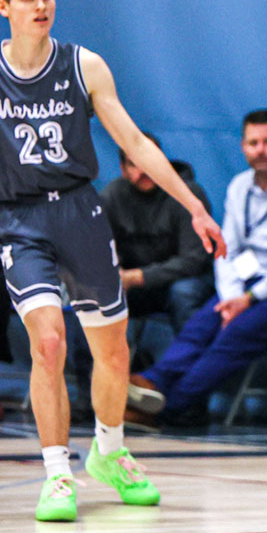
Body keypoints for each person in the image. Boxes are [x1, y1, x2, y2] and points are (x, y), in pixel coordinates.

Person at [0, 0, 225, 522]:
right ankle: (57, 472)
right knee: (48, 341)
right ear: (4, 7)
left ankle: (110, 450)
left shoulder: (84, 66)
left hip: (80, 211)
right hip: (20, 220)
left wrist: (194, 206)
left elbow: (135, 143)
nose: (42, 5)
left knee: (113, 349)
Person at [127, 109, 267, 424]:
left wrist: (248, 300)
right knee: (203, 323)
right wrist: (231, 298)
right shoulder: (240, 187)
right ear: (243, 146)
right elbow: (226, 250)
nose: (261, 150)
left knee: (235, 334)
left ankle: (167, 408)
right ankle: (152, 383)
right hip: (248, 286)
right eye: (253, 142)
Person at [101, 133, 215, 367]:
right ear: (123, 169)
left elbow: (194, 259)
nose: (144, 169)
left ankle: (190, 393)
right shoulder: (112, 197)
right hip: (135, 285)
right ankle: (93, 395)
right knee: (98, 297)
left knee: (184, 294)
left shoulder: (187, 194)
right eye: (135, 164)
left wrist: (139, 276)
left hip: (186, 281)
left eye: (150, 160)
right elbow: (102, 250)